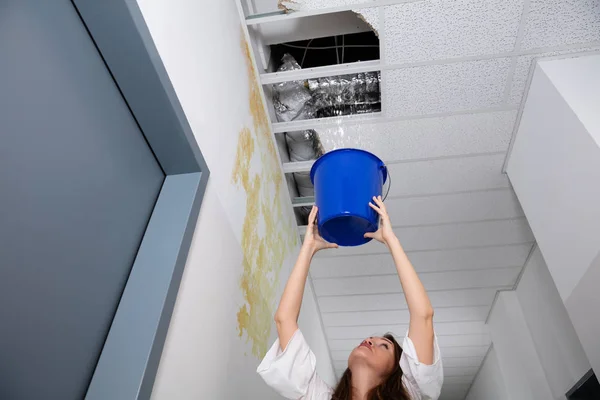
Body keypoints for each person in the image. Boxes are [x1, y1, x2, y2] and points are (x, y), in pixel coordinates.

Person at [257, 196, 443, 399]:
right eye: (376, 340)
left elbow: (423, 316)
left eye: (384, 346)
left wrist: (392, 240)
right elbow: (284, 320)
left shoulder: (412, 392)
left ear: (397, 371)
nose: (369, 341)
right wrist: (308, 248)